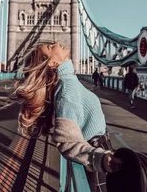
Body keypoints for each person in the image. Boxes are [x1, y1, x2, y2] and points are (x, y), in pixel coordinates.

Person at [13, 42, 121, 192]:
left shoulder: (68, 80)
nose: (57, 43)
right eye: (51, 47)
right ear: (52, 62)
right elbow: (66, 141)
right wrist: (100, 159)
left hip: (99, 151)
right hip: (97, 157)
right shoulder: (66, 85)